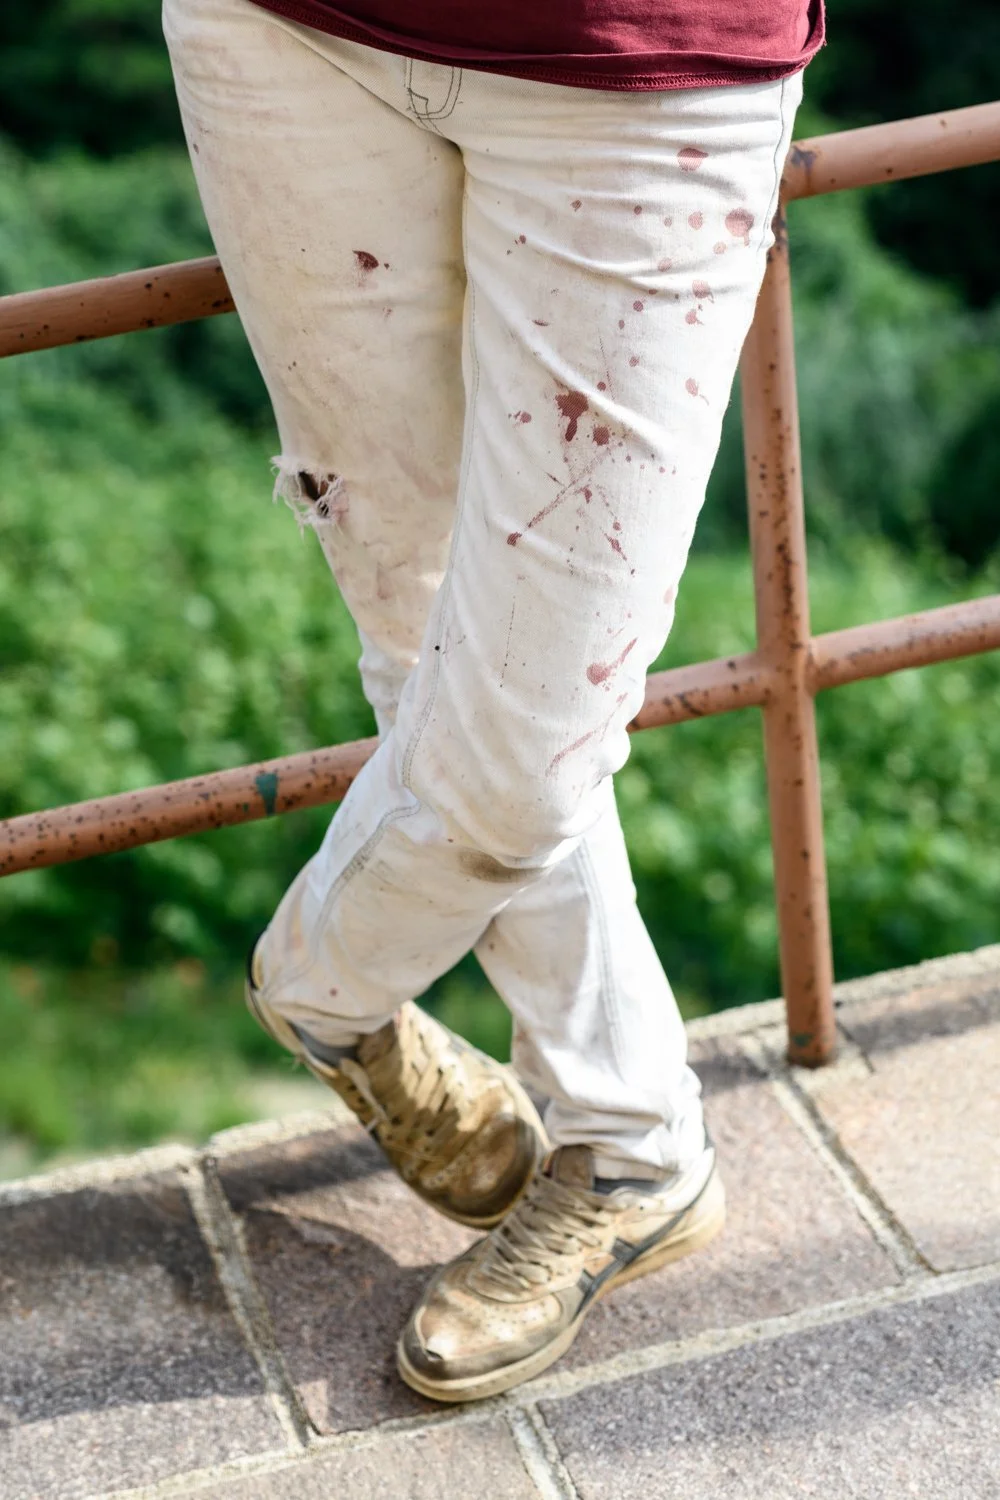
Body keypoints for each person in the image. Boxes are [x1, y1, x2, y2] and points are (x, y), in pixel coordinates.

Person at [164, 0, 823, 1403]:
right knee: (412, 613)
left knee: (533, 735)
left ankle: (323, 981)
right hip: (284, 30)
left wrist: (339, 978)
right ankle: (631, 1146)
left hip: (646, 52)